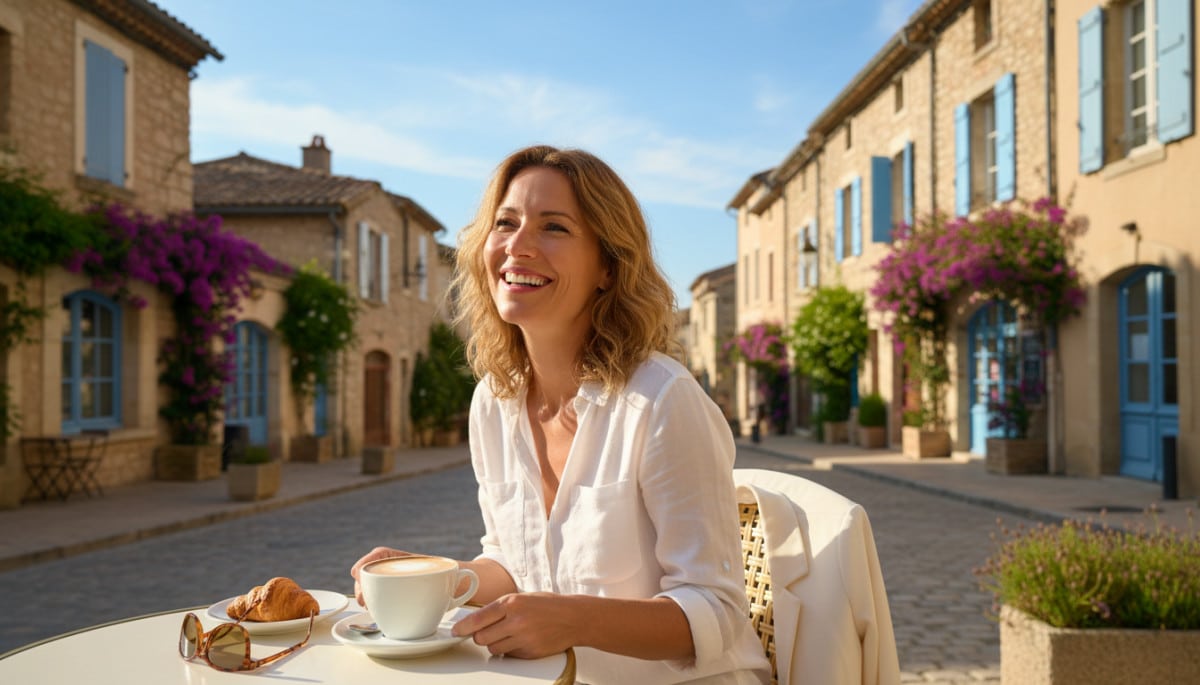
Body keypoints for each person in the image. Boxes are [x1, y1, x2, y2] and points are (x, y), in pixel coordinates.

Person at [350, 145, 771, 684]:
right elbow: (511, 563)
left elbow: (716, 613)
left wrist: (572, 619)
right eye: (505, 223)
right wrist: (435, 578)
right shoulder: (494, 402)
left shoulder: (663, 400)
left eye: (554, 228)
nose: (517, 246)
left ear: (607, 267)